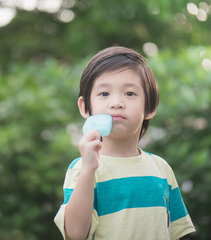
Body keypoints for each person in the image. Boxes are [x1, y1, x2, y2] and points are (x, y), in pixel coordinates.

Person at [54, 46, 195, 240]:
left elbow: (176, 233)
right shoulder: (82, 169)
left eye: (129, 93)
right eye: (104, 94)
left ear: (150, 107)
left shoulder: (161, 169)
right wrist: (89, 169)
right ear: (85, 107)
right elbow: (76, 234)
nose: (117, 103)